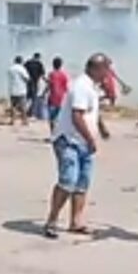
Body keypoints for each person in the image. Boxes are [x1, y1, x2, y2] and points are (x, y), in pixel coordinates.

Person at [43, 54, 112, 238]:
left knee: (82, 183)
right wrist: (90, 139)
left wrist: (102, 128)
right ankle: (52, 220)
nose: (108, 74)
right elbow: (77, 116)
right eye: (106, 69)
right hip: (69, 140)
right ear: (96, 69)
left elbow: (92, 113)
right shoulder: (81, 86)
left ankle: (76, 221)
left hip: (82, 143)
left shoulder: (91, 87)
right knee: (68, 181)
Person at [46, 56, 70, 136]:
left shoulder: (51, 74)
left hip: (53, 98)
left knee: (52, 119)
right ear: (61, 65)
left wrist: (43, 94)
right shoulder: (64, 75)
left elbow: (50, 85)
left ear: (53, 65)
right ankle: (59, 134)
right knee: (59, 119)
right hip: (61, 99)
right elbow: (66, 88)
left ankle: (53, 134)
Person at [8, 56, 30, 126]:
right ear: (21, 61)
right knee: (23, 107)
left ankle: (12, 120)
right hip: (21, 90)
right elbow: (27, 78)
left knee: (13, 106)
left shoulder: (10, 69)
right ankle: (24, 120)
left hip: (12, 90)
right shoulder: (21, 69)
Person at [24, 53, 47, 119]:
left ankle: (25, 111)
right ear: (38, 57)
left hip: (28, 83)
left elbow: (23, 71)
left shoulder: (27, 63)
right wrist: (47, 81)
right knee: (34, 98)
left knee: (27, 98)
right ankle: (31, 114)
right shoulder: (39, 64)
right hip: (35, 83)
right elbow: (42, 75)